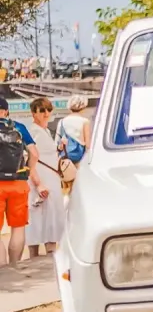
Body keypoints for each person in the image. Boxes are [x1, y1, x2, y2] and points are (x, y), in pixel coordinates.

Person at [0, 97, 43, 266]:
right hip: (18, 183)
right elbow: (35, 154)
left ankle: (2, 271)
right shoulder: (18, 127)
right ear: (6, 111)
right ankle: (14, 267)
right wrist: (28, 170)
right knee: (18, 228)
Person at [25, 98, 65, 256]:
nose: (46, 113)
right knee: (37, 221)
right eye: (42, 110)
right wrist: (38, 183)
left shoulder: (45, 131)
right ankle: (36, 259)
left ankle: (49, 255)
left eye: (48, 109)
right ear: (34, 113)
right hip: (41, 182)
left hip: (50, 180)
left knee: (49, 220)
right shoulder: (34, 132)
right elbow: (30, 161)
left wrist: (58, 148)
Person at [57, 94, 91, 189]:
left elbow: (57, 143)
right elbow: (88, 144)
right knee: (79, 185)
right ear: (83, 106)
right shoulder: (85, 121)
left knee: (67, 184)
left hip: (65, 157)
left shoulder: (62, 121)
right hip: (79, 157)